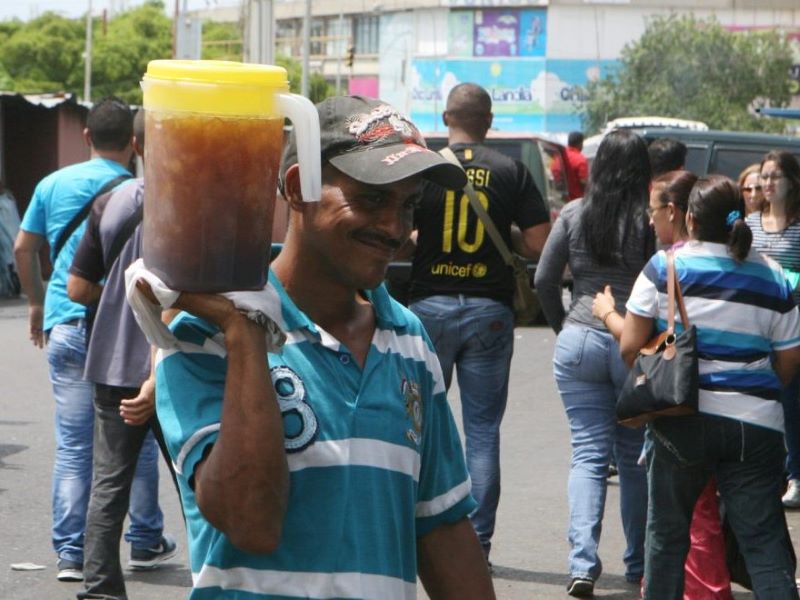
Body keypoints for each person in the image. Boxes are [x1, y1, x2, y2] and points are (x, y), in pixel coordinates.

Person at [135, 95, 496, 599]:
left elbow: (441, 526)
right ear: (296, 188)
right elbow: (251, 522)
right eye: (372, 199)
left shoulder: (409, 339)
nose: (395, 228)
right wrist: (245, 338)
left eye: (407, 204)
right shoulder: (203, 335)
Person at [621, 175, 800, 599]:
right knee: (764, 546)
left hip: (683, 418)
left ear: (689, 219)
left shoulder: (665, 266)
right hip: (755, 427)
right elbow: (789, 360)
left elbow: (630, 347)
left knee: (666, 540)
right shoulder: (774, 277)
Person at [13, 96, 164, 582]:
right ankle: (144, 540)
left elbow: (23, 248)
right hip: (127, 331)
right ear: (133, 143)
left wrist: (36, 303)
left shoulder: (54, 183)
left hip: (66, 323)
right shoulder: (144, 192)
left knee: (76, 447)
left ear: (86, 137)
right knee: (134, 444)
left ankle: (72, 554)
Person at [407, 82, 551, 565]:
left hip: (429, 309)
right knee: (483, 432)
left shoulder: (425, 167)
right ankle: (478, 545)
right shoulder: (510, 170)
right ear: (488, 122)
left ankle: (414, 534)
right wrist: (503, 228)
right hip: (490, 312)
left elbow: (399, 237)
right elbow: (536, 244)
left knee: (419, 428)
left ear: (446, 118)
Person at [593, 170, 735, 600]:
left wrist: (605, 313)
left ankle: (704, 591)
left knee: (681, 517)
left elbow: (635, 346)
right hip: (732, 410)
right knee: (700, 511)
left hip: (678, 406)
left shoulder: (671, 264)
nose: (648, 219)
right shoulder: (729, 260)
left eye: (652, 210)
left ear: (674, 212)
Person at [534, 129, 653, 597]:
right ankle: (640, 562)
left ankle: (581, 563)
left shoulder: (572, 213)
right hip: (631, 341)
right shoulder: (646, 222)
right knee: (634, 457)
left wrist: (562, 327)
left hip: (580, 334)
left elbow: (544, 278)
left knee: (587, 453)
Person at [67, 109, 178, 600]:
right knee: (197, 479)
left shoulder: (108, 203)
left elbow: (76, 288)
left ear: (136, 147)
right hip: (178, 364)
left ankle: (101, 590)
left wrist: (119, 297)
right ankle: (221, 579)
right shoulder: (199, 203)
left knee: (108, 484)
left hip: (113, 362)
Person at [745, 151, 800, 509]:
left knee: (791, 402)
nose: (767, 183)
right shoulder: (749, 223)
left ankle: (795, 475)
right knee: (759, 400)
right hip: (756, 326)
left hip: (793, 325)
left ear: (792, 182)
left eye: (775, 176)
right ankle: (765, 474)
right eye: (764, 176)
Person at [552, 131, 589, 200]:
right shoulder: (580, 159)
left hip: (561, 200)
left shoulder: (559, 157)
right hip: (576, 200)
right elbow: (583, 182)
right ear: (580, 143)